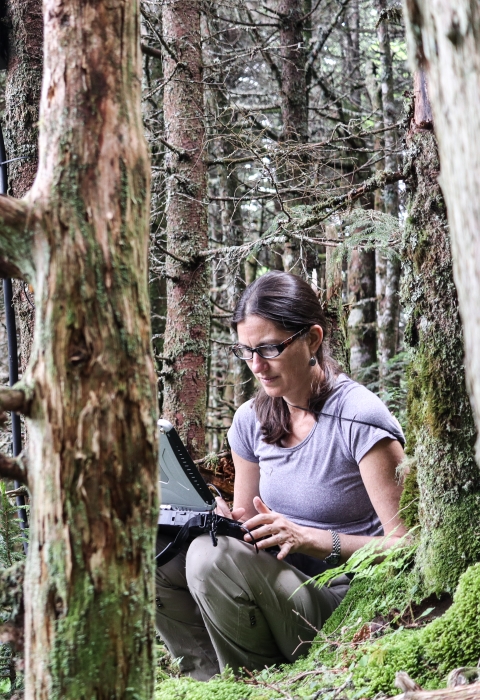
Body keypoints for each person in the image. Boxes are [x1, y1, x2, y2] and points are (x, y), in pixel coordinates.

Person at [155, 271, 406, 681]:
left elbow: (407, 546)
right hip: (276, 586)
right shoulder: (251, 420)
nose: (257, 365)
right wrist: (222, 518)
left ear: (312, 340)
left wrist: (310, 539)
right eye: (247, 350)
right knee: (158, 553)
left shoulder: (360, 418)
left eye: (270, 347)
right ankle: (209, 683)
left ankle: (258, 685)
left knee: (209, 559)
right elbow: (244, 520)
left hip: (348, 602)